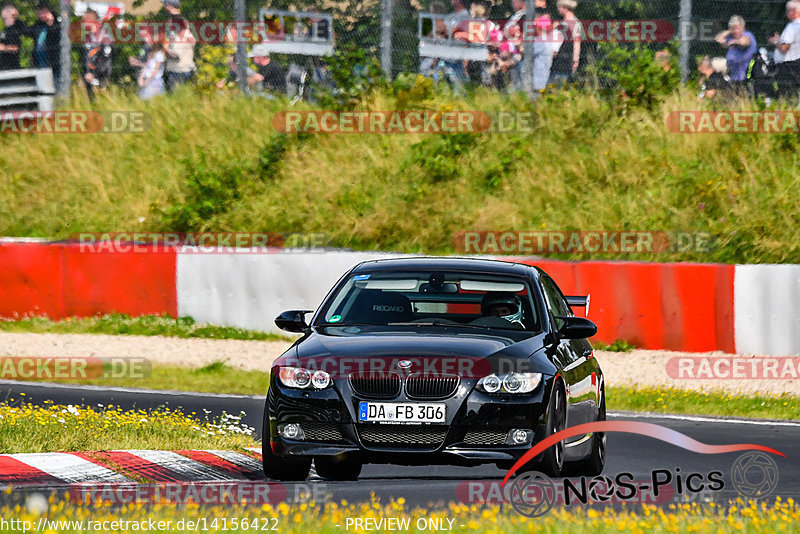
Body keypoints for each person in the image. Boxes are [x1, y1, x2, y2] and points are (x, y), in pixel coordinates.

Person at [714, 15, 756, 91]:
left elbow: (744, 42)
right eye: (733, 29)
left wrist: (735, 42)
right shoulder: (731, 37)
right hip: (733, 78)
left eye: (738, 28)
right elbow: (718, 39)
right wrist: (729, 31)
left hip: (746, 79)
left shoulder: (748, 35)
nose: (735, 31)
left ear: (743, 28)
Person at [769, 1, 800, 101]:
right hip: (795, 65)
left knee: (787, 96)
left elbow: (783, 48)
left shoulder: (792, 27)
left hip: (787, 68)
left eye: (788, 10)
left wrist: (775, 41)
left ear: (794, 11)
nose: (787, 13)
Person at [81, 9, 112, 100]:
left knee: (101, 102)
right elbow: (86, 58)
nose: (82, 23)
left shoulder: (104, 36)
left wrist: (93, 74)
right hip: (89, 77)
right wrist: (85, 74)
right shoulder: (88, 37)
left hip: (101, 76)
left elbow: (106, 60)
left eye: (84, 21)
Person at [28, 4, 60, 88]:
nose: (40, 15)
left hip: (53, 61)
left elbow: (57, 36)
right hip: (40, 61)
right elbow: (27, 31)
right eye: (38, 13)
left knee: (56, 82)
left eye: (42, 12)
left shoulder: (57, 23)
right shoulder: (38, 25)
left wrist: (51, 23)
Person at [550, 0, 581, 85]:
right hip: (556, 60)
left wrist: (575, 59)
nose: (558, 9)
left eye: (559, 7)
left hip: (566, 60)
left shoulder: (574, 22)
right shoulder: (561, 22)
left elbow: (577, 41)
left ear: (565, 8)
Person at [165, 15, 195, 91]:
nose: (168, 25)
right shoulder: (188, 34)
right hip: (188, 68)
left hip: (178, 72)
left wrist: (165, 49)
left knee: (177, 97)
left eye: (170, 23)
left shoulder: (178, 38)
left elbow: (175, 56)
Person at [0, 4, 25, 71]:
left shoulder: (14, 30)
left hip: (11, 67)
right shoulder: (5, 30)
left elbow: (15, 48)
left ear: (11, 13)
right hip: (3, 66)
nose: (2, 11)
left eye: (6, 9)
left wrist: (4, 48)